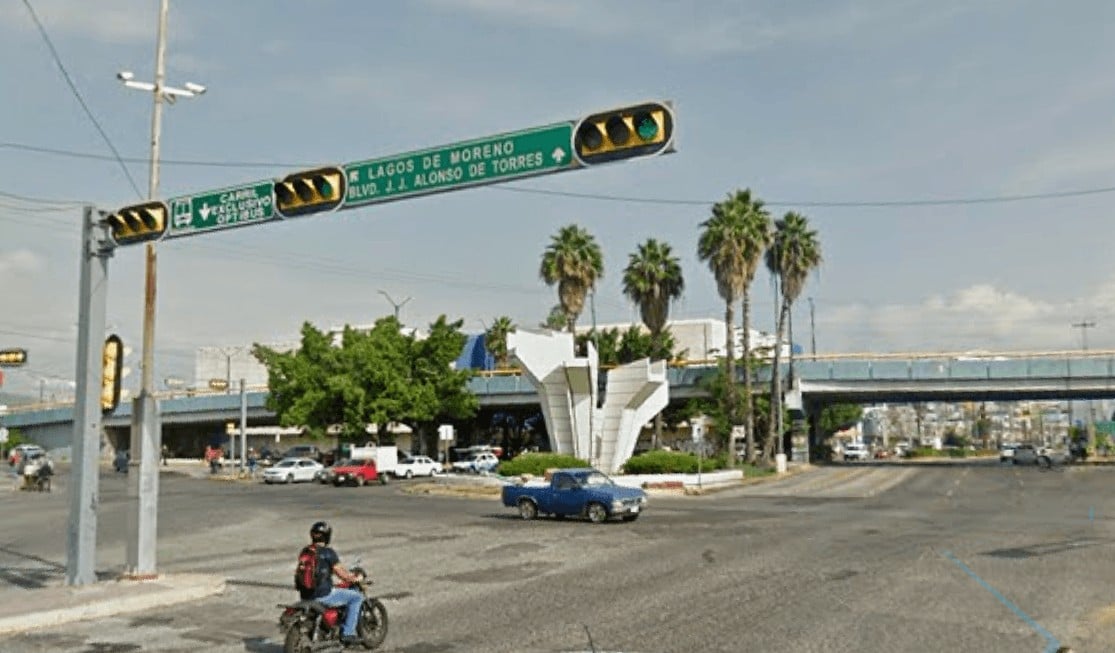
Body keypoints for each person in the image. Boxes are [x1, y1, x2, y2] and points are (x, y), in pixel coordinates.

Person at [305, 521, 364, 645]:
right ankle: (348, 633)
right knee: (357, 597)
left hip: (306, 594)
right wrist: (355, 578)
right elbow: (342, 575)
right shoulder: (328, 552)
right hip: (323, 594)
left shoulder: (305, 551)